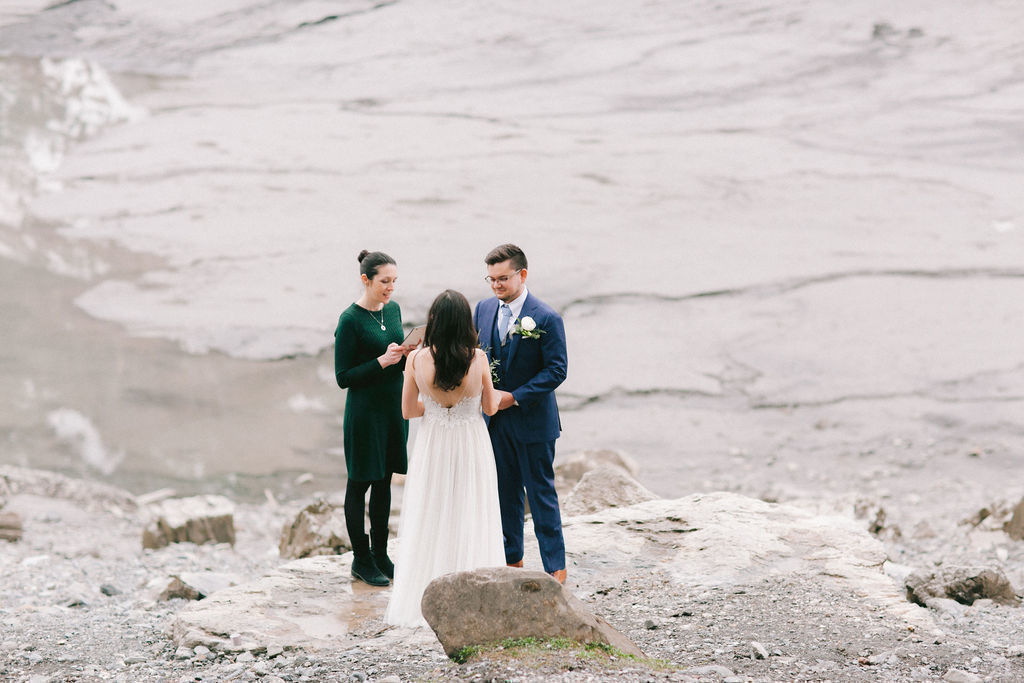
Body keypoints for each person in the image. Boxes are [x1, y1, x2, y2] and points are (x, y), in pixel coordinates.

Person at [384, 289, 505, 627]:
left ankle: (426, 598)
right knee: (471, 508)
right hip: (471, 442)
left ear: (433, 322)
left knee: (432, 510)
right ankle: (475, 601)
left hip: (433, 444)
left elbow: (408, 410)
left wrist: (436, 408)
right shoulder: (478, 358)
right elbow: (490, 407)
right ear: (466, 323)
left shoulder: (416, 360)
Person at [473, 244, 569, 584]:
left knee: (541, 495)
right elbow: (476, 356)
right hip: (494, 422)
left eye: (503, 278)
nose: (496, 285)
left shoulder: (546, 317)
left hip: (532, 422)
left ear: (522, 274)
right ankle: (511, 562)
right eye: (491, 279)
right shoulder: (483, 310)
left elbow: (557, 370)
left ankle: (555, 570)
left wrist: (513, 397)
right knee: (504, 494)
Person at [334, 250, 410, 587]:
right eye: (384, 281)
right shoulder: (349, 319)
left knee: (384, 480)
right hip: (365, 414)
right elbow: (343, 376)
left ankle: (381, 553)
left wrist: (411, 353)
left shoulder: (393, 309)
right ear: (366, 280)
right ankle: (361, 559)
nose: (391, 287)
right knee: (360, 482)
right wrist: (381, 361)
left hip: (393, 409)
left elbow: (399, 356)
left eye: (394, 281)